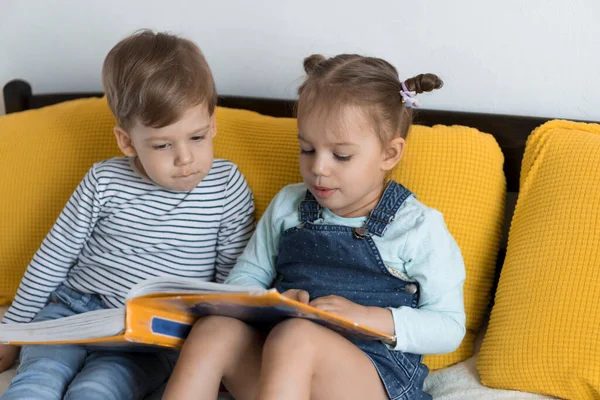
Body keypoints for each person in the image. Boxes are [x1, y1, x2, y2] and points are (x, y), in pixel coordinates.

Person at [164, 53, 466, 400]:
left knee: (296, 336)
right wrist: (270, 302)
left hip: (370, 379)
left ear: (389, 154)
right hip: (280, 369)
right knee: (213, 330)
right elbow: (242, 280)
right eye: (307, 149)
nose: (319, 168)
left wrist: (371, 317)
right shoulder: (289, 205)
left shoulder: (417, 226)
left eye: (341, 155)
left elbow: (448, 326)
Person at [0, 29, 255, 400]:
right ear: (126, 141)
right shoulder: (104, 180)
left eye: (197, 137)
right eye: (163, 145)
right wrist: (12, 330)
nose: (185, 159)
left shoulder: (227, 186)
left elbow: (230, 283)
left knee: (97, 390)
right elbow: (54, 257)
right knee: (37, 382)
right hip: (74, 310)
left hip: (149, 336)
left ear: (213, 124)